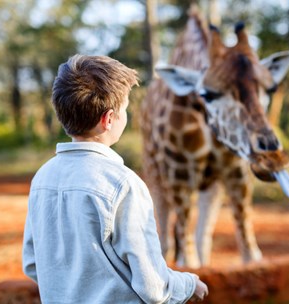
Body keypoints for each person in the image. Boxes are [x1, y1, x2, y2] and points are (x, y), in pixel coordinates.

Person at [22, 54, 208, 303]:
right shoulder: (123, 184)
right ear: (108, 119)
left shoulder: (42, 178)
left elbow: (33, 263)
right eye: (125, 109)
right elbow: (154, 288)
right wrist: (188, 284)